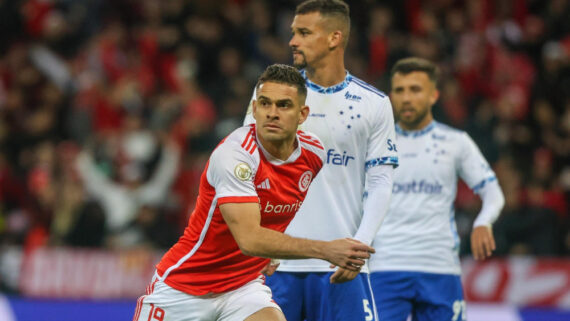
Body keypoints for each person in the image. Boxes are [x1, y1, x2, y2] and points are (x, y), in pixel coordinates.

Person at [133, 64, 375, 321]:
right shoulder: (235, 156)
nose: (272, 113)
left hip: (242, 287)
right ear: (255, 109)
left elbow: (276, 208)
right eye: (265, 103)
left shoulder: (313, 154)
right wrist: (326, 249)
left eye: (283, 105)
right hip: (185, 287)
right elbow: (249, 239)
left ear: (302, 114)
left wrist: (270, 250)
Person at [244, 1, 398, 320]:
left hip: (340, 265)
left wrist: (359, 247)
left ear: (334, 38)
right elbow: (245, 169)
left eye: (303, 33)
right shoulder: (270, 96)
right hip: (277, 264)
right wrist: (257, 240)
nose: (292, 41)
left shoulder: (374, 104)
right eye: (293, 33)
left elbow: (381, 181)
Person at [369, 57, 505, 321]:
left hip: (440, 267)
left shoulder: (456, 142)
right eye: (400, 90)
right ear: (390, 96)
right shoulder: (373, 144)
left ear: (433, 95)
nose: (406, 98)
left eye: (415, 89)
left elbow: (493, 192)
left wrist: (483, 222)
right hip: (385, 265)